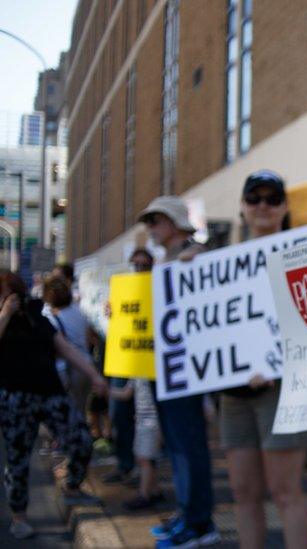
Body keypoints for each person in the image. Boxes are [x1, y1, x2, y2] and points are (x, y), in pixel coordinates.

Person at [219, 170, 307, 549]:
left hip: (284, 390)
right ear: (242, 208)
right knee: (243, 492)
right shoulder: (220, 266)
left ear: (285, 207)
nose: (262, 206)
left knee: (285, 490)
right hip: (234, 392)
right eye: (254, 199)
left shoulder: (301, 255)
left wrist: (272, 363)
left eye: (272, 199)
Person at [0, 270, 108, 539]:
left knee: (81, 439)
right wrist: (4, 314)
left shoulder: (36, 318)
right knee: (18, 459)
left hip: (50, 392)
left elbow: (66, 349)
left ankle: (72, 486)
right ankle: (19, 516)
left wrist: (94, 375)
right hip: (15, 397)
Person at [138, 196, 219, 548]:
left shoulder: (197, 254)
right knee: (176, 446)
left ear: (172, 222)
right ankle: (188, 513)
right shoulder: (164, 261)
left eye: (155, 221)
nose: (151, 229)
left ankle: (200, 522)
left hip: (187, 369)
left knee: (189, 446)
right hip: (165, 367)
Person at [105, 248, 164, 510]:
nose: (140, 268)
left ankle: (146, 493)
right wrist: (115, 315)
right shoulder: (125, 292)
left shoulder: (162, 290)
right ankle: (152, 489)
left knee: (146, 452)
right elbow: (126, 392)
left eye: (144, 264)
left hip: (153, 402)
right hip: (136, 377)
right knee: (145, 450)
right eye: (136, 264)